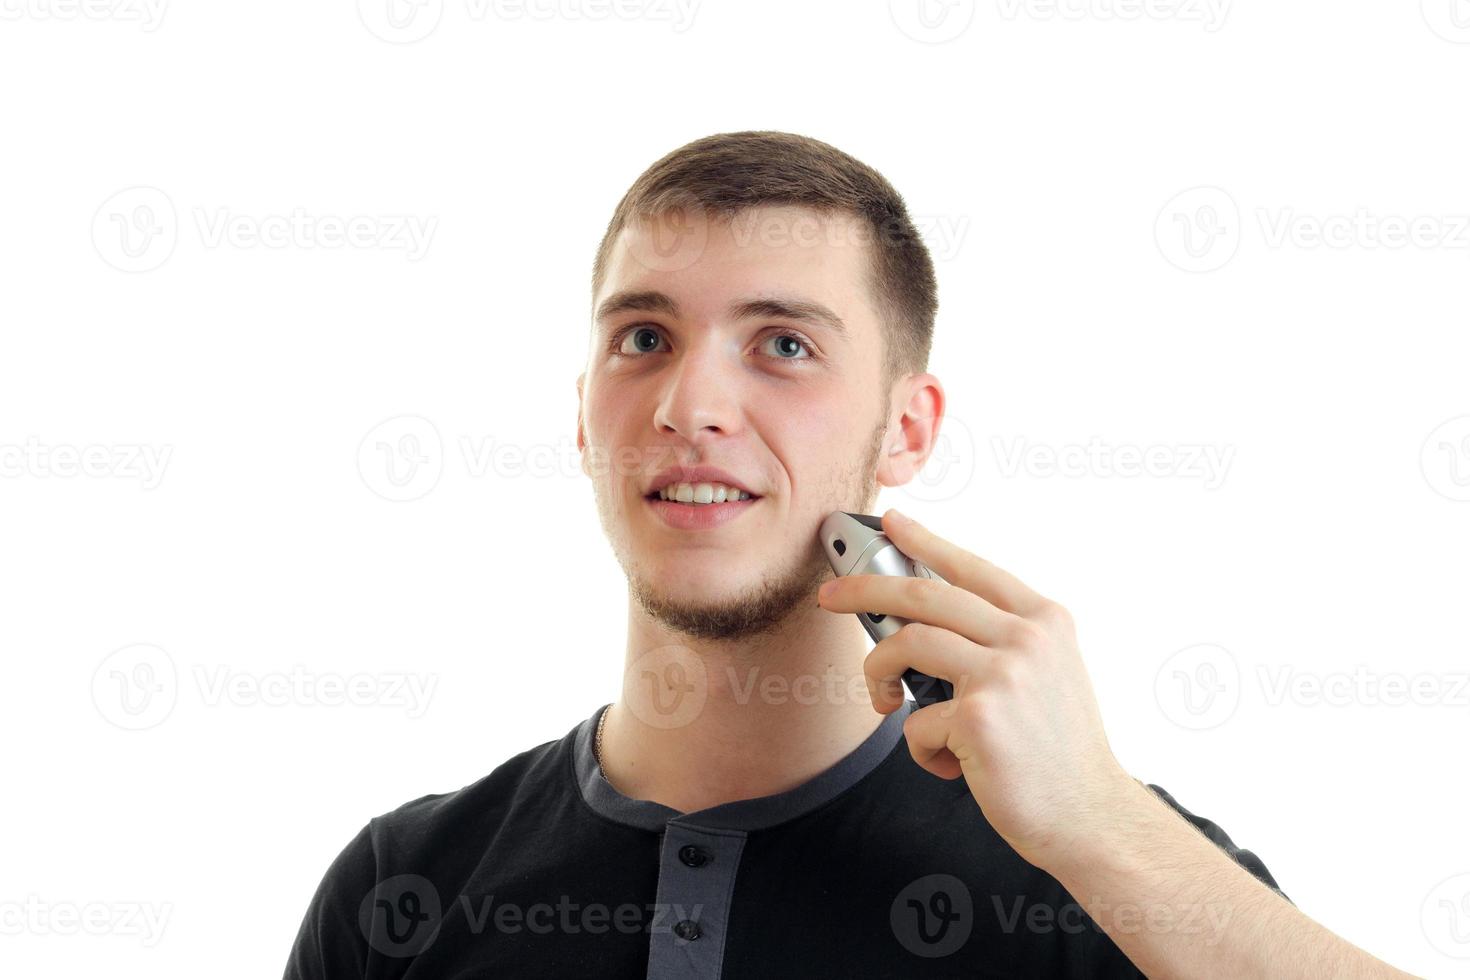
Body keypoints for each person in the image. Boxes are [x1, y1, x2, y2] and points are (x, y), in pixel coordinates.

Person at [283, 131, 1413, 978]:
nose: (691, 402)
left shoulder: (1109, 873)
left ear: (907, 426)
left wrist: (1104, 827)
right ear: (585, 415)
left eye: (783, 344)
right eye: (645, 338)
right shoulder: (403, 885)